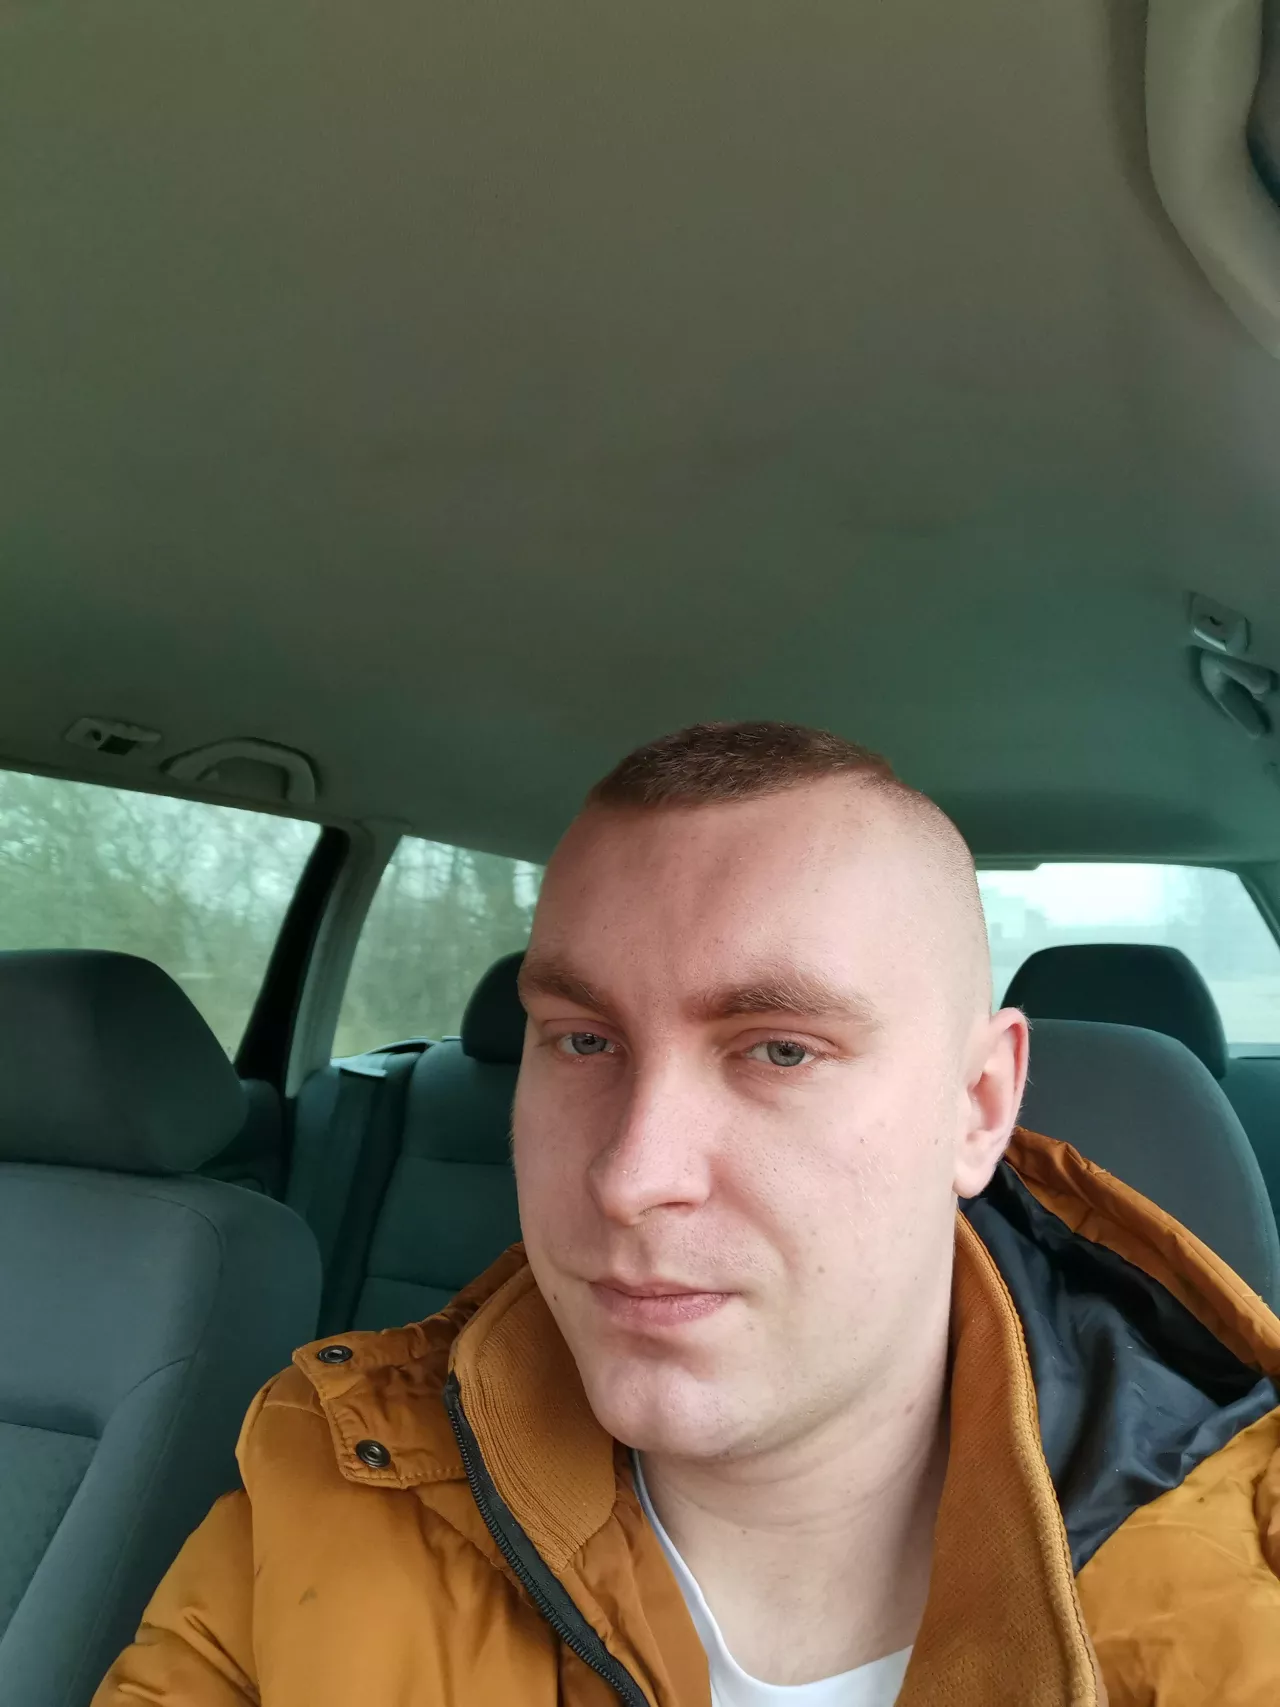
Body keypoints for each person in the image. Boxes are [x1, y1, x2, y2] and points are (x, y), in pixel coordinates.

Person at [95, 721, 1280, 1707]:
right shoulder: (333, 1480)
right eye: (583, 1040)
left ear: (976, 1108)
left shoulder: (1243, 1593)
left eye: (778, 1050)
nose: (629, 1177)